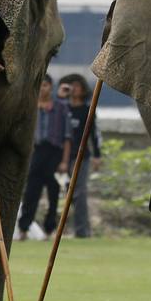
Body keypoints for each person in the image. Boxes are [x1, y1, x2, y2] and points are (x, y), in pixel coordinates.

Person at [17, 73, 71, 241]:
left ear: (51, 87)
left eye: (46, 85)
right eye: (40, 85)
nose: (42, 89)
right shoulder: (31, 106)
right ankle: (24, 229)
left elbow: (67, 137)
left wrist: (64, 161)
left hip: (54, 153)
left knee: (53, 194)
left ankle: (50, 230)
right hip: (36, 152)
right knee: (31, 193)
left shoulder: (61, 107)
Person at [60, 73, 102, 238]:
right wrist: (61, 97)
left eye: (78, 86)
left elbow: (94, 133)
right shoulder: (62, 107)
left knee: (80, 192)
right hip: (62, 157)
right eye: (72, 86)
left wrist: (97, 155)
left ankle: (82, 231)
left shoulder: (87, 109)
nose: (75, 89)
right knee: (65, 193)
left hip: (81, 157)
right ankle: (61, 230)